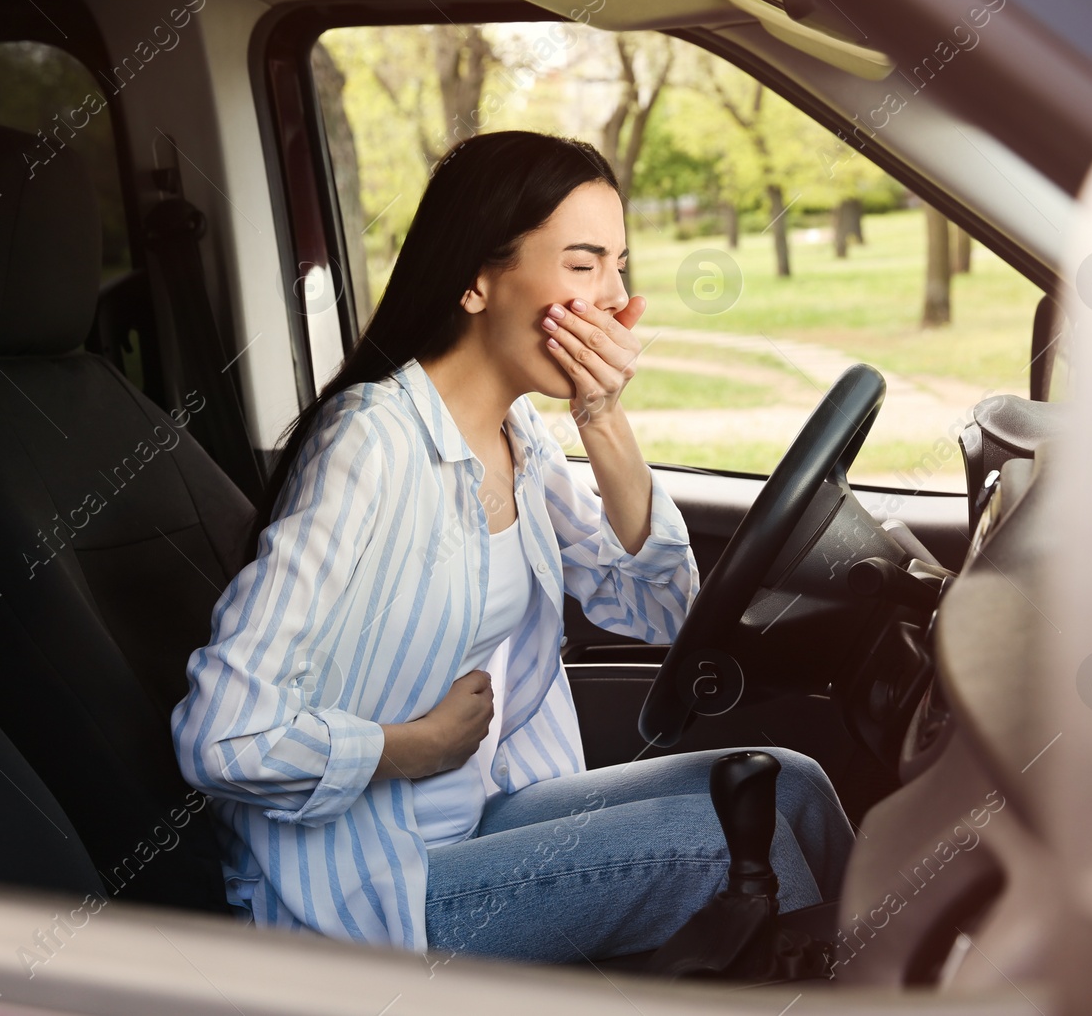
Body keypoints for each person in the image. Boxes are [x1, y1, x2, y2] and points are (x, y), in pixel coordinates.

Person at [170, 130, 854, 962]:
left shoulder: (516, 430)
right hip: (368, 887)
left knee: (792, 784)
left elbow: (661, 607)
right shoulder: (372, 444)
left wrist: (602, 418)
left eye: (620, 264)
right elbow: (223, 733)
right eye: (583, 263)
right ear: (477, 279)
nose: (617, 299)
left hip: (481, 816)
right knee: (744, 845)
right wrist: (408, 746)